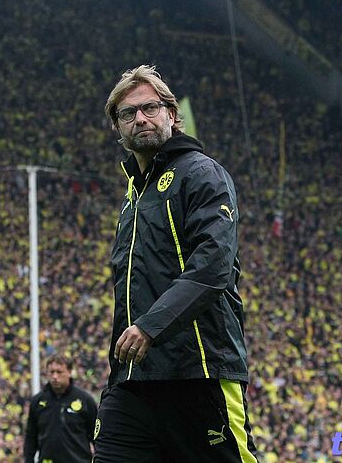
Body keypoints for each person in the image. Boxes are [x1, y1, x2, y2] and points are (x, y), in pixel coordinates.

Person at [93, 65, 258, 462]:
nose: (140, 119)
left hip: (197, 371)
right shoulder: (133, 197)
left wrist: (150, 327)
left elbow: (213, 266)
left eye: (149, 107)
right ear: (118, 127)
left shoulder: (201, 173)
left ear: (170, 113)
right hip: (133, 382)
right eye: (128, 113)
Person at [24, 355, 99, 463]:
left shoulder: (85, 400)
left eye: (59, 372)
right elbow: (31, 438)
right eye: (51, 372)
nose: (55, 376)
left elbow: (96, 436)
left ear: (69, 372)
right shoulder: (38, 401)